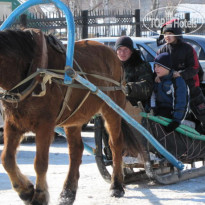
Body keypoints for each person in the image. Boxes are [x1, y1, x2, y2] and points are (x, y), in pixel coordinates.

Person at [157, 19, 205, 133]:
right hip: (172, 92)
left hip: (192, 90)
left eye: (170, 34)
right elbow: (158, 67)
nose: (167, 37)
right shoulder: (162, 50)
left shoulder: (187, 49)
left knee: (202, 117)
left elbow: (195, 68)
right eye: (165, 34)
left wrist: (181, 74)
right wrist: (157, 75)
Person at [152, 52, 189, 133]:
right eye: (155, 66)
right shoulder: (157, 80)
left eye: (159, 66)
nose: (156, 69)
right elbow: (153, 97)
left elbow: (181, 101)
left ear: (167, 67)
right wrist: (152, 109)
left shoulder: (176, 81)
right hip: (160, 112)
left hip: (171, 114)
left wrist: (176, 121)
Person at [115, 36, 154, 108]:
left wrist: (129, 88)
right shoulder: (112, 66)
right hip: (115, 106)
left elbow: (148, 87)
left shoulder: (141, 66)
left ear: (131, 51)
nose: (122, 53)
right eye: (119, 49)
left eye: (126, 49)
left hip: (135, 108)